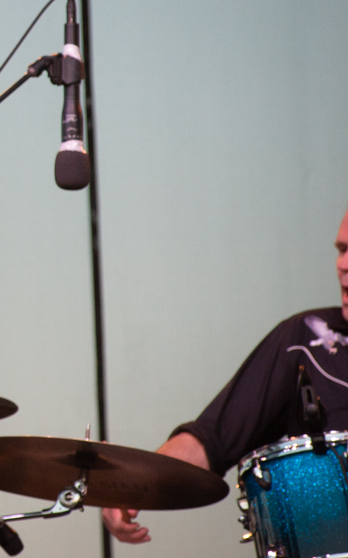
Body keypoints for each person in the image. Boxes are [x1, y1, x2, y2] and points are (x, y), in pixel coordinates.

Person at [103, 207, 348, 544]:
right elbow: (212, 439)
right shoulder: (304, 341)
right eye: (342, 250)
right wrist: (130, 483)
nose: (343, 264)